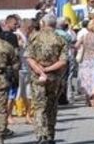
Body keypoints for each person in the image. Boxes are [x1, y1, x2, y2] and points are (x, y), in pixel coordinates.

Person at [25, 14, 69, 144]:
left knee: (39, 107)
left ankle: (41, 135)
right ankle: (50, 135)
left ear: (43, 23)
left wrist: (40, 70)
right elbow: (63, 61)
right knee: (51, 106)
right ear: (54, 24)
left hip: (38, 77)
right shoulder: (60, 39)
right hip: (54, 77)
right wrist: (49, 70)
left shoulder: (34, 37)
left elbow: (29, 58)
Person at [76, 20, 94, 109]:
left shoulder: (84, 36)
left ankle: (87, 99)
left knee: (86, 79)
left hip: (85, 59)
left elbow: (76, 45)